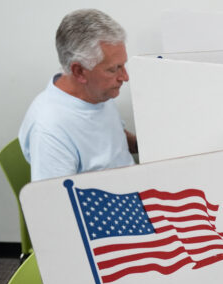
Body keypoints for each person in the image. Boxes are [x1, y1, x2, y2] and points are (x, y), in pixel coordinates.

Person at [19, 9, 137, 182]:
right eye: (113, 69)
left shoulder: (97, 92)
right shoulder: (50, 130)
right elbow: (56, 204)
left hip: (133, 185)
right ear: (79, 71)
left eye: (123, 65)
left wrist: (148, 145)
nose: (125, 77)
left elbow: (113, 139)